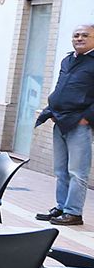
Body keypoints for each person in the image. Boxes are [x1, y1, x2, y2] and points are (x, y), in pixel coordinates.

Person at [35, 24, 94, 226]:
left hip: (79, 124)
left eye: (85, 35)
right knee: (61, 170)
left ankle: (73, 212)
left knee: (77, 171)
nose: (79, 38)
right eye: (76, 35)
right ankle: (61, 207)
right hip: (60, 120)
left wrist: (86, 117)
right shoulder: (68, 59)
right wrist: (52, 109)